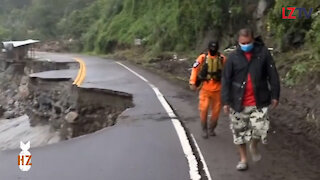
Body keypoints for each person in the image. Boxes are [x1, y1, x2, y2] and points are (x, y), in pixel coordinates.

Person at [221, 28, 280, 171]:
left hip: (259, 100)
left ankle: (254, 144)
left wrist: (275, 95)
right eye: (243, 43)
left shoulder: (263, 54)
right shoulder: (233, 57)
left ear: (253, 40)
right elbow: (226, 80)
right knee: (239, 132)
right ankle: (243, 159)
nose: (245, 45)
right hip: (238, 102)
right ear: (238, 42)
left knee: (260, 128)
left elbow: (273, 75)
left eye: (248, 42)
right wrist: (226, 101)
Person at [189, 40, 226, 139]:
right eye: (211, 47)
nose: (213, 49)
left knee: (216, 111)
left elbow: (228, 72)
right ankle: (204, 129)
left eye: (215, 48)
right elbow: (195, 69)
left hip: (218, 89)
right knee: (203, 109)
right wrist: (193, 82)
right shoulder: (202, 58)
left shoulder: (222, 59)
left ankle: (212, 128)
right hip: (205, 88)